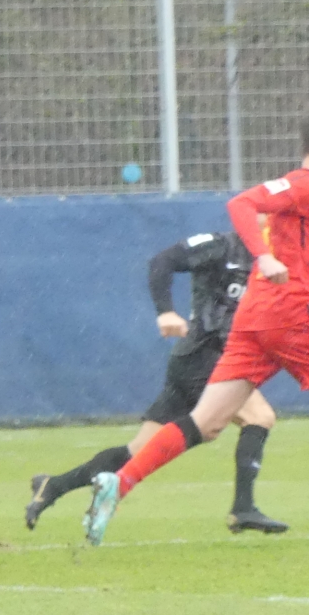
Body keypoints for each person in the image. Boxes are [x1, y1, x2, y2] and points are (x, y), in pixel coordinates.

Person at [82, 108, 309, 549]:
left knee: (206, 422)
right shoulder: (305, 185)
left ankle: (120, 483)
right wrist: (262, 257)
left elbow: (295, 258)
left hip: (256, 316)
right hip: (289, 316)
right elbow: (241, 204)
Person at [25, 227, 286, 535]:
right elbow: (162, 261)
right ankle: (243, 508)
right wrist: (165, 312)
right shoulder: (220, 245)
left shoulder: (271, 260)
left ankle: (53, 486)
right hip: (203, 355)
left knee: (139, 450)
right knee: (259, 417)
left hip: (206, 359)